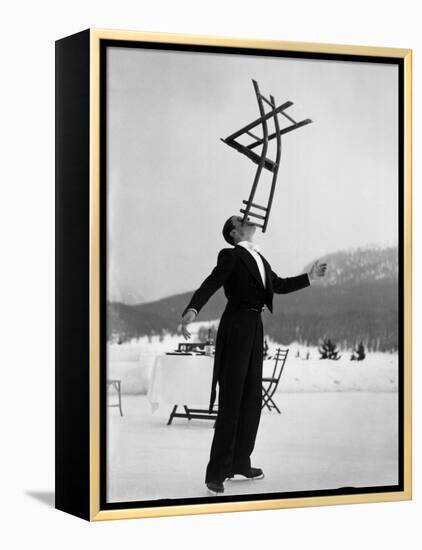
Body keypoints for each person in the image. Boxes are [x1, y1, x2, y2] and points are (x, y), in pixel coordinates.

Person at [181, 215, 327, 495]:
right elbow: (211, 282)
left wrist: (310, 277)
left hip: (254, 327)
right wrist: (193, 309)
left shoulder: (260, 258)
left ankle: (240, 462)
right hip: (235, 325)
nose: (249, 220)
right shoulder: (231, 255)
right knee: (232, 398)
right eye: (242, 220)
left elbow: (280, 285)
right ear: (234, 233)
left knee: (250, 399)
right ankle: (216, 473)